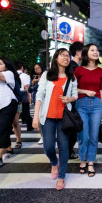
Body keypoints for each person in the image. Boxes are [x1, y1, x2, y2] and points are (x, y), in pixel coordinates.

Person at [32, 48, 78, 190]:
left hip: (64, 118)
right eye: (63, 55)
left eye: (68, 56)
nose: (66, 57)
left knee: (64, 147)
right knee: (48, 146)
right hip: (48, 117)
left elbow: (75, 94)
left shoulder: (72, 77)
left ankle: (61, 176)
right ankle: (53, 162)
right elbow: (39, 96)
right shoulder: (47, 75)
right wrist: (35, 117)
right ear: (56, 58)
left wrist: (69, 98)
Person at [74, 43, 102, 177]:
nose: (96, 52)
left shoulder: (101, 71)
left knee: (94, 136)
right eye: (92, 50)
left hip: (97, 105)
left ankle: (91, 161)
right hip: (81, 104)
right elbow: (73, 89)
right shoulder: (79, 70)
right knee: (83, 135)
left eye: (97, 50)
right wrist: (85, 91)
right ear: (86, 53)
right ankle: (83, 159)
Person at [68, 41, 84, 159]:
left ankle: (69, 151)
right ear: (78, 52)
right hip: (73, 103)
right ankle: (69, 152)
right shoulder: (74, 67)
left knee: (72, 128)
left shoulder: (73, 66)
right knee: (73, 128)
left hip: (72, 102)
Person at [28, 63, 46, 145]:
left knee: (46, 119)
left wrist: (40, 81)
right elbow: (29, 90)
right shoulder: (33, 78)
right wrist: (32, 83)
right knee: (38, 120)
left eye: (38, 68)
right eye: (35, 68)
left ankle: (47, 135)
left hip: (45, 100)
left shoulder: (47, 76)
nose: (37, 70)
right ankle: (42, 136)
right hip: (37, 101)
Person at [17, 63, 33, 131]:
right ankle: (29, 126)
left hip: (15, 94)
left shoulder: (12, 74)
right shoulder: (24, 75)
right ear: (22, 67)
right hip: (23, 93)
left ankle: (11, 128)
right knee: (26, 110)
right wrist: (29, 96)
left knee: (15, 111)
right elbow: (27, 86)